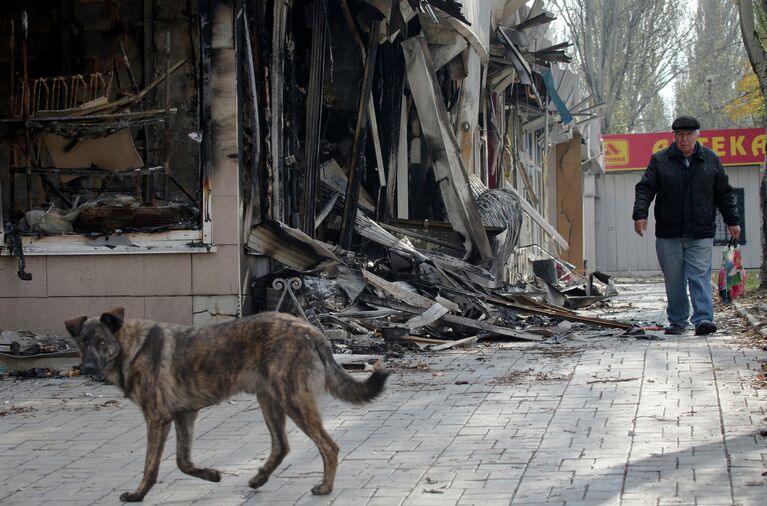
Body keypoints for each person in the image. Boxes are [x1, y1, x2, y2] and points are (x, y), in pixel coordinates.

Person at [632, 115, 740, 336]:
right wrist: (639, 215)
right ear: (673, 136)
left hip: (700, 231)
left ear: (697, 135)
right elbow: (645, 188)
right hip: (668, 233)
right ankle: (678, 321)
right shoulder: (660, 160)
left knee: (699, 275)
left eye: (689, 135)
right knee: (674, 279)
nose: (684, 139)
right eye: (680, 135)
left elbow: (724, 193)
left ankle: (703, 319)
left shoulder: (710, 160)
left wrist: (733, 221)